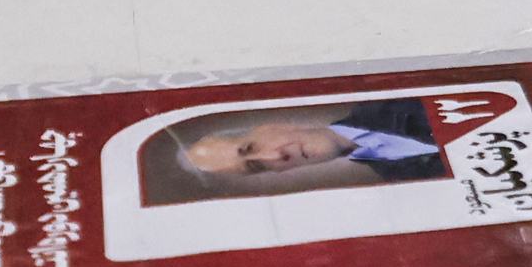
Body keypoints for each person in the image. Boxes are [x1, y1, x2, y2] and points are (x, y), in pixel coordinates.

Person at [171, 103, 451, 186]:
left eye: (250, 148)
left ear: (273, 127)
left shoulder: (390, 99)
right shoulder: (400, 179)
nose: (273, 157)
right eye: (256, 166)